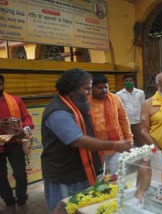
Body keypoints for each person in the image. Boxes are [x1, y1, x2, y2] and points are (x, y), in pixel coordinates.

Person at [41, 68, 132, 212]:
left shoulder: (78, 104)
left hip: (83, 170)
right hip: (65, 175)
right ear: (72, 89)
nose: (90, 93)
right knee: (67, 209)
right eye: (87, 89)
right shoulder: (58, 112)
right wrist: (114, 145)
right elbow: (78, 140)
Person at [0, 74, 34, 212]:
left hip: (14, 141)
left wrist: (24, 129)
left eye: (0, 84)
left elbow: (27, 118)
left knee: (20, 173)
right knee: (0, 176)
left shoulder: (15, 100)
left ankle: (21, 199)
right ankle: (8, 201)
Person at [89, 73, 133, 175]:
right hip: (96, 146)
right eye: (99, 88)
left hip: (116, 143)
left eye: (106, 87)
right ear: (91, 88)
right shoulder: (86, 101)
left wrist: (129, 138)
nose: (104, 90)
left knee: (118, 175)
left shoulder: (115, 98)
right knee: (98, 176)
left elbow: (123, 119)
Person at [116, 73, 145, 147]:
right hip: (126, 123)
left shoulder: (140, 93)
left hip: (138, 121)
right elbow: (118, 109)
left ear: (134, 82)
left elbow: (143, 106)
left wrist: (143, 120)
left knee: (141, 142)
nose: (128, 82)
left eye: (130, 80)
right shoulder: (119, 94)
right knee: (128, 143)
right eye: (126, 80)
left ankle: (143, 157)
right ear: (123, 82)